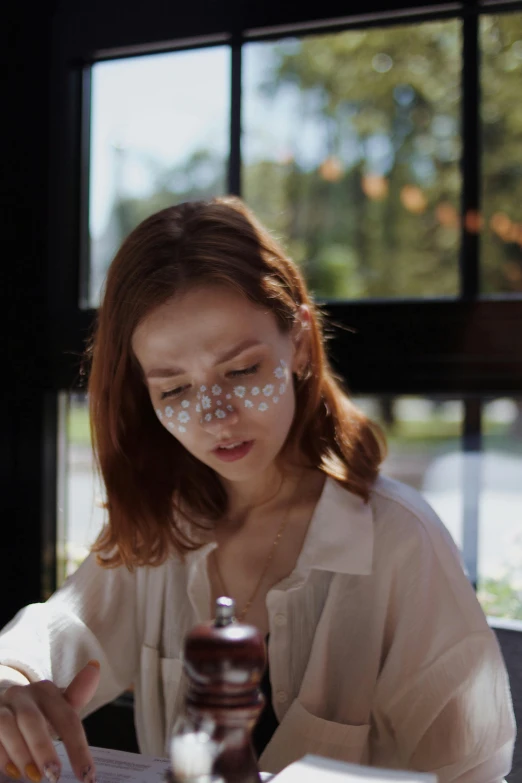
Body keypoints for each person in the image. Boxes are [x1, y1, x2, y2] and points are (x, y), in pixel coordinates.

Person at [0, 197, 515, 783]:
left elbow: (474, 775)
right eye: (174, 391)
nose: (216, 417)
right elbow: (64, 627)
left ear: (297, 340)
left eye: (241, 371)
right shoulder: (164, 531)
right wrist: (11, 675)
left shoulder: (399, 541)